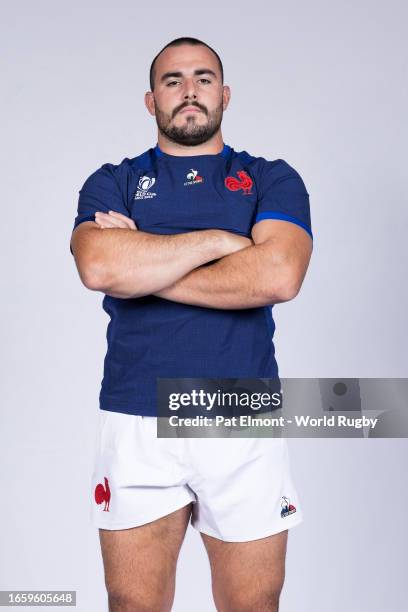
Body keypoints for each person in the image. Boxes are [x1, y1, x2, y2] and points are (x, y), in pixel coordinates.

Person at [70, 36, 313, 612]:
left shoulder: (270, 178)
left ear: (224, 95)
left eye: (203, 78)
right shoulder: (114, 181)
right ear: (151, 101)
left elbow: (278, 275)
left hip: (240, 411)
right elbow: (99, 264)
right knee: (133, 603)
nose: (189, 91)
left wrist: (145, 264)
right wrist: (221, 244)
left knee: (254, 605)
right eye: (172, 80)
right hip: (137, 411)